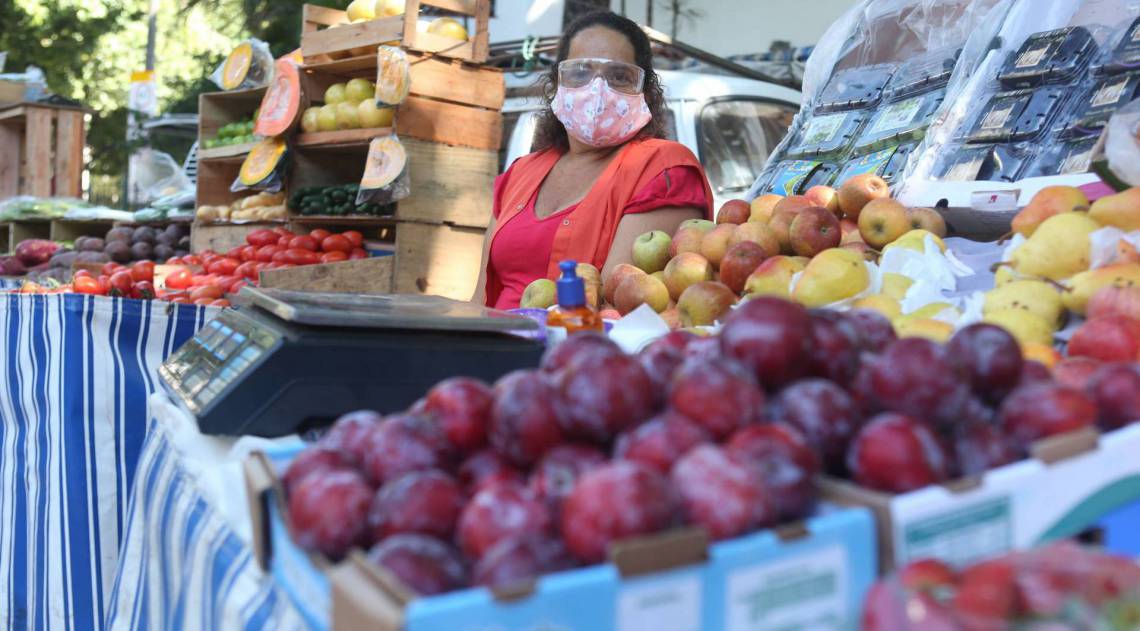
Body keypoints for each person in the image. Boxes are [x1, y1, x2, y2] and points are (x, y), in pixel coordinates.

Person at [473, 11, 715, 310]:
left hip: (576, 350)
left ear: (646, 92)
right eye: (580, 72)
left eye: (619, 76)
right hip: (492, 346)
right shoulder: (521, 172)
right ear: (557, 85)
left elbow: (616, 302)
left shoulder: (663, 169)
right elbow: (479, 300)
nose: (598, 89)